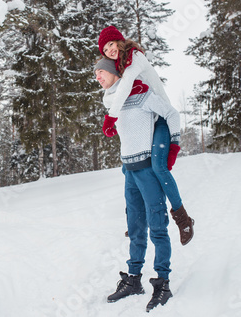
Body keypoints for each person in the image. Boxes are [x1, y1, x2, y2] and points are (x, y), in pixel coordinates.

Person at [98, 25, 194, 246]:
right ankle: (136, 221)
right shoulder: (121, 66)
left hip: (161, 118)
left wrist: (111, 117)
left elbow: (125, 88)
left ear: (120, 42)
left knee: (158, 167)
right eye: (105, 49)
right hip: (147, 118)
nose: (110, 50)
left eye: (111, 44)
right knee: (133, 169)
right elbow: (115, 92)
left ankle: (183, 219)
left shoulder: (135, 57)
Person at [94, 58, 177, 312]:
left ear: (113, 72)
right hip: (129, 171)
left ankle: (163, 282)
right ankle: (133, 279)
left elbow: (171, 113)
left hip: (147, 169)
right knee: (135, 227)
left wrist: (173, 145)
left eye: (100, 72)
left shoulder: (140, 91)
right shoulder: (111, 101)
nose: (97, 77)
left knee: (157, 227)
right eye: (95, 74)